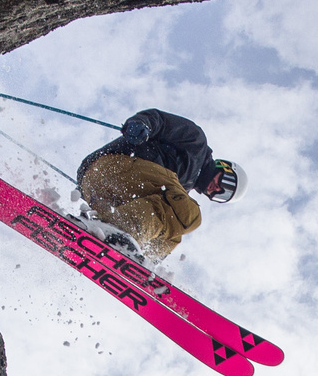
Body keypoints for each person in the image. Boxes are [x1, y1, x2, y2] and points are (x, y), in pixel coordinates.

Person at [76, 109, 244, 262]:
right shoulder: (196, 143)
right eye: (226, 183)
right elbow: (161, 121)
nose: (217, 189)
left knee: (174, 232)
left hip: (93, 189)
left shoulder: (176, 195)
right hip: (111, 166)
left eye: (223, 195)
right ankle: (119, 232)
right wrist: (142, 125)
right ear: (224, 167)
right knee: (189, 215)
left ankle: (137, 260)